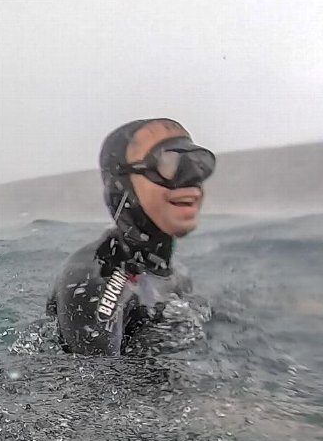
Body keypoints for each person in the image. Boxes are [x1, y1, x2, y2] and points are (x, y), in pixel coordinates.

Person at [46, 118, 216, 356]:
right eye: (167, 162)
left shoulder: (175, 273)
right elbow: (93, 384)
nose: (190, 181)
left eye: (197, 164)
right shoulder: (94, 279)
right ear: (121, 185)